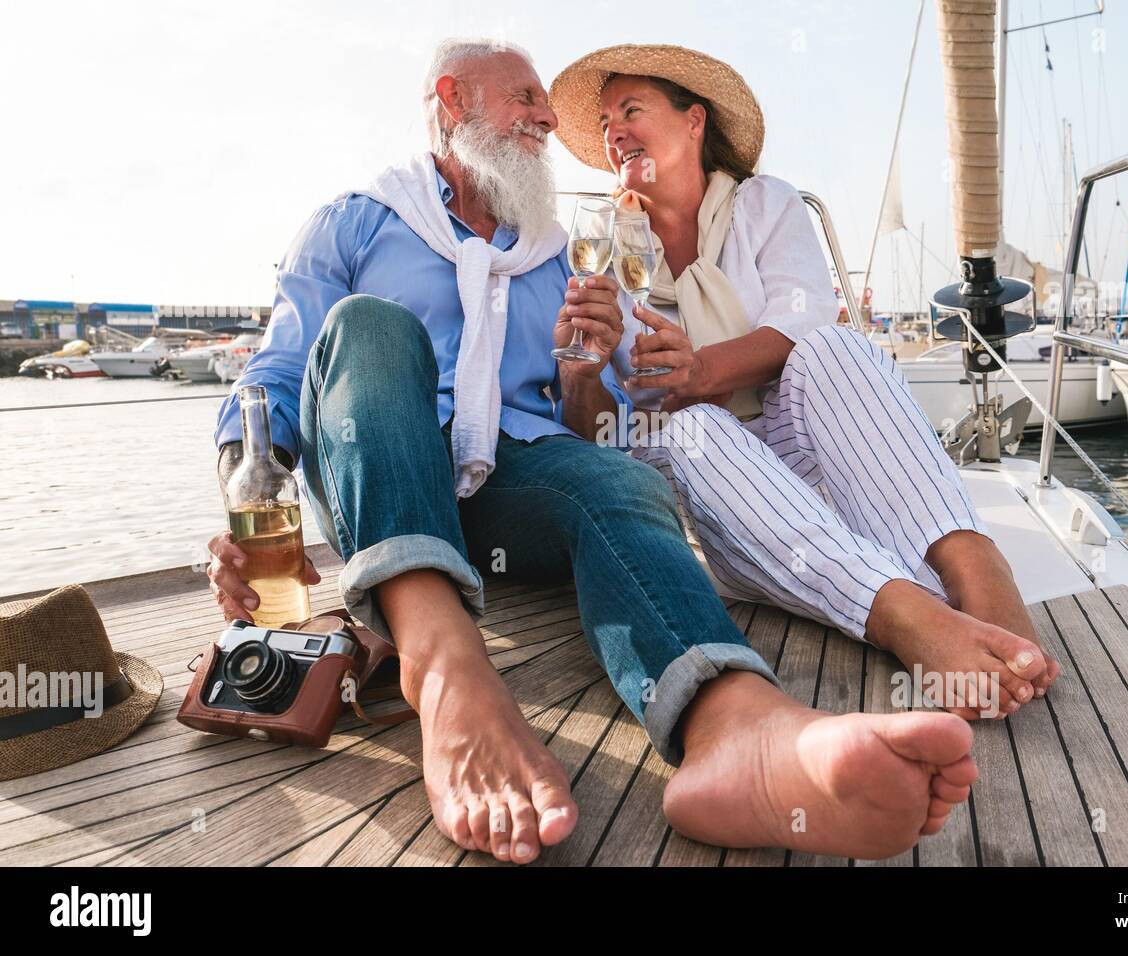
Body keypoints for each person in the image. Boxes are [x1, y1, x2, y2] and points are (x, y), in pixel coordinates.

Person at [204, 37, 978, 864]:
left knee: (617, 480)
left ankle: (734, 728)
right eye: (525, 99)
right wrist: (243, 508)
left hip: (511, 485)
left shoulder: (555, 254)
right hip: (385, 472)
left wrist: (580, 370)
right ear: (453, 100)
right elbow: (277, 377)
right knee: (372, 327)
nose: (545, 119)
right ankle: (442, 667)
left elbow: (591, 426)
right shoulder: (357, 219)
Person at [548, 44, 1061, 719]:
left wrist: (702, 367)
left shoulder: (765, 205)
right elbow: (593, 435)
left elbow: (800, 322)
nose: (615, 131)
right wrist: (583, 366)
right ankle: (905, 616)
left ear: (694, 121)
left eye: (632, 109)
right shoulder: (602, 251)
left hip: (798, 446)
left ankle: (974, 568)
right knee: (693, 427)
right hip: (710, 485)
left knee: (832, 348)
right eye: (607, 119)